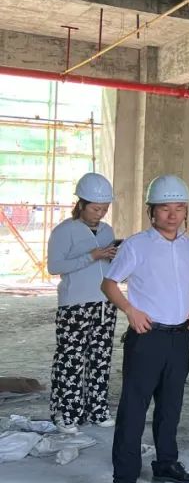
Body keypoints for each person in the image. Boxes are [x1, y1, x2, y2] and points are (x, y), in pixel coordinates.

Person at [101, 175, 189, 483]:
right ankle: (124, 481)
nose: (173, 215)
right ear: (152, 211)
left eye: (179, 208)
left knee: (171, 405)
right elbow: (109, 283)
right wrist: (130, 311)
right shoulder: (137, 245)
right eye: (165, 208)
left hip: (180, 336)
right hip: (147, 337)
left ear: (186, 211)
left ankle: (165, 464)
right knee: (134, 409)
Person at [46, 173, 120, 433]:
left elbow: (108, 265)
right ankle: (67, 413)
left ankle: (97, 409)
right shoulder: (64, 231)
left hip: (105, 304)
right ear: (81, 204)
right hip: (74, 306)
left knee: (101, 359)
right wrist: (92, 256)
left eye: (104, 209)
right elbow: (54, 266)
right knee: (71, 359)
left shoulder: (107, 230)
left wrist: (113, 257)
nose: (100, 213)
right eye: (95, 208)